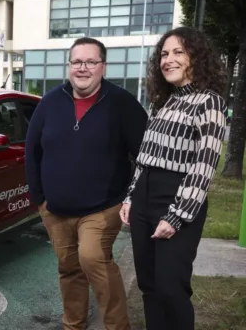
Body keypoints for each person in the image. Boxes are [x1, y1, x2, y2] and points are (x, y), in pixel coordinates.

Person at [25, 37, 147, 330]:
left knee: (92, 258)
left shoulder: (122, 103)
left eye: (90, 62)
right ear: (69, 66)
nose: (83, 68)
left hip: (103, 207)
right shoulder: (50, 103)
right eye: (77, 62)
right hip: (55, 209)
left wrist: (131, 197)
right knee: (69, 269)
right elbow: (32, 151)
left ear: (103, 66)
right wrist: (39, 199)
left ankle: (117, 326)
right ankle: (73, 325)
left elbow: (145, 153)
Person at [120, 27, 228, 330]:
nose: (168, 60)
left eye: (178, 52)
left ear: (197, 57)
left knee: (171, 288)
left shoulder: (210, 102)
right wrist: (131, 196)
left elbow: (205, 164)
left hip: (178, 196)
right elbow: (144, 155)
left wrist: (178, 215)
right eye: (164, 54)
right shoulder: (163, 103)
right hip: (144, 196)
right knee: (149, 286)